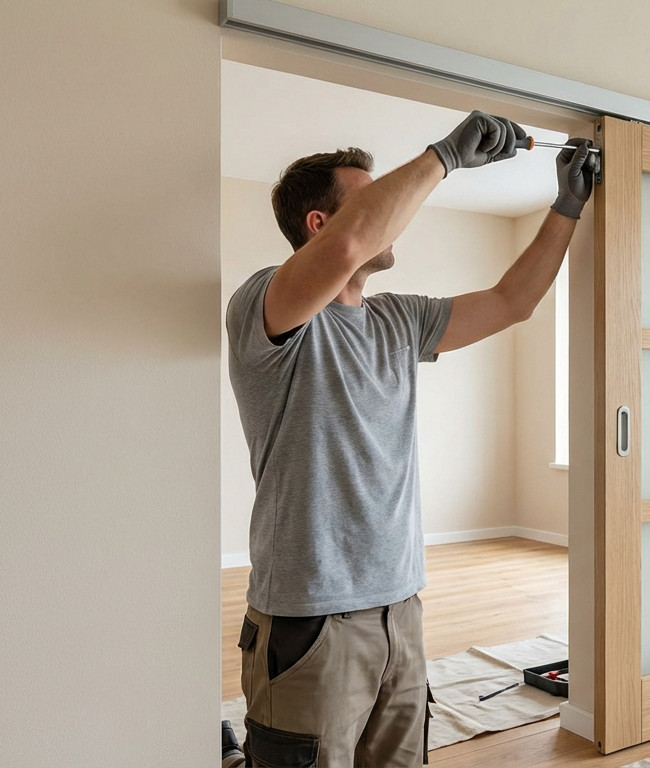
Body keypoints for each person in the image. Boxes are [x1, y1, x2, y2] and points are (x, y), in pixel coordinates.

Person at [222, 110, 593, 768]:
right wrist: (444, 157)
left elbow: (513, 301)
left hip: (401, 607)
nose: (399, 213)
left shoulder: (400, 319)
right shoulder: (264, 306)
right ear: (319, 223)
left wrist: (567, 206)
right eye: (371, 199)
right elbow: (340, 254)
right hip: (311, 619)